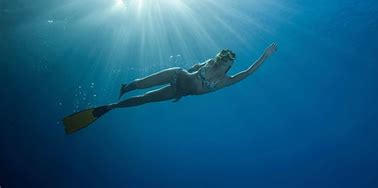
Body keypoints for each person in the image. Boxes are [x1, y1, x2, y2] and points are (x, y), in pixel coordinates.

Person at [63, 43, 278, 134]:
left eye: (227, 61)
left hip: (177, 92)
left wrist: (265, 56)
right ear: (219, 58)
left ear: (230, 66)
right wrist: (196, 68)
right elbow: (194, 67)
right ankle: (126, 86)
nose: (223, 61)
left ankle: (109, 107)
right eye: (222, 57)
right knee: (140, 84)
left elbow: (248, 72)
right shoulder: (208, 63)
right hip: (177, 74)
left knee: (144, 98)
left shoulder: (225, 81)